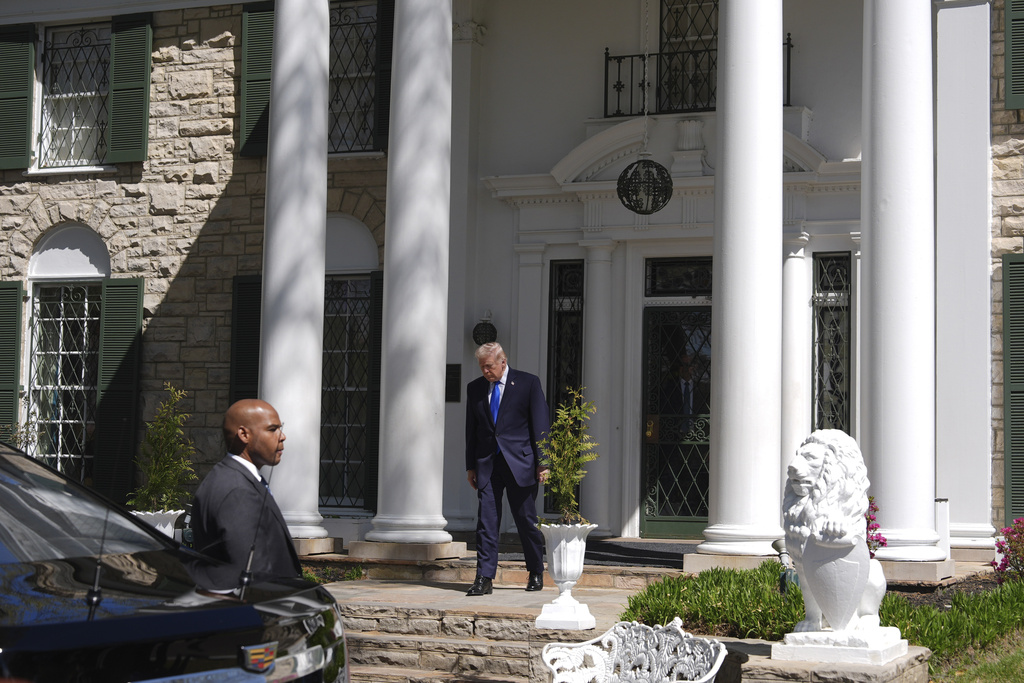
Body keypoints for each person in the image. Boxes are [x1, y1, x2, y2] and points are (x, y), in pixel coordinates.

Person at [188, 399, 301, 592]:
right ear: (243, 434)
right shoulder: (237, 491)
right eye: (272, 429)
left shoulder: (230, 477)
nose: (282, 437)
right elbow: (252, 574)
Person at [465, 342, 549, 596]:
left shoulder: (528, 383)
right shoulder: (475, 388)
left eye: (488, 366)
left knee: (526, 521)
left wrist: (543, 462)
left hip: (520, 463)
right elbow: (472, 430)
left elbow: (540, 424)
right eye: (482, 367)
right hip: (487, 464)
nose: (485, 371)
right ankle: (484, 577)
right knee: (487, 522)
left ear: (503, 361)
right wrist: (471, 466)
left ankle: (535, 571)